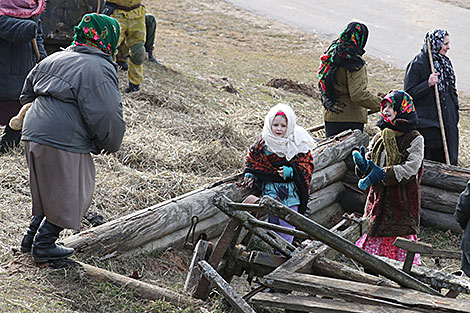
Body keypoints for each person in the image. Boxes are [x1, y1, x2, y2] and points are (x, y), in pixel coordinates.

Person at [18, 13, 126, 262]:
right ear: (107, 38)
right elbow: (107, 113)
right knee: (73, 192)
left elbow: (26, 93)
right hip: (62, 138)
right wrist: (110, 142)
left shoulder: (57, 57)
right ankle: (44, 245)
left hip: (33, 132)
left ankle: (30, 238)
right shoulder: (98, 67)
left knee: (49, 190)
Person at [352, 90, 424, 266]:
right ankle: (371, 277)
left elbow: (412, 168)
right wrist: (364, 167)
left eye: (391, 106)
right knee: (373, 241)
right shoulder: (380, 135)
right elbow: (371, 157)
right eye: (384, 106)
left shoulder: (414, 138)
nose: (386, 110)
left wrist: (385, 174)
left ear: (403, 109)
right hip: (377, 199)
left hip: (401, 201)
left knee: (397, 245)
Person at [241, 103, 316, 244]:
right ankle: (276, 250)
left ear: (290, 126)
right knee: (273, 222)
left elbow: (306, 165)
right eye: (275, 125)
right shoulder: (263, 142)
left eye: (283, 126)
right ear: (269, 125)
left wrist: (292, 171)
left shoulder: (297, 142)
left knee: (288, 222)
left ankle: (284, 251)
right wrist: (250, 173)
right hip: (271, 192)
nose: (279, 129)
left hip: (291, 193)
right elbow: (253, 160)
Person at [317, 21, 381, 138]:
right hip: (350, 119)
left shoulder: (330, 56)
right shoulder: (354, 62)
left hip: (331, 115)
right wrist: (382, 104)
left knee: (331, 153)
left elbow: (322, 83)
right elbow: (358, 95)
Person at [404, 29, 459, 165]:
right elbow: (408, 94)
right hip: (429, 127)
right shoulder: (418, 63)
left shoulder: (445, 63)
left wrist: (455, 112)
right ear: (436, 43)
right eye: (445, 44)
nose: (448, 47)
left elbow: (451, 91)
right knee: (431, 165)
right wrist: (427, 84)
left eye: (448, 43)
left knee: (448, 163)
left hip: (447, 126)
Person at [0, 0, 47, 154]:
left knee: (19, 112)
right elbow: (6, 26)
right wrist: (29, 27)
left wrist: (43, 59)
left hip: (24, 67)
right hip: (4, 66)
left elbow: (37, 35)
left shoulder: (33, 6)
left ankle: (7, 147)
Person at [102, 0, 147, 93]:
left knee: (138, 51)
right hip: (116, 13)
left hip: (136, 14)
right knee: (109, 49)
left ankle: (134, 84)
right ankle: (108, 82)